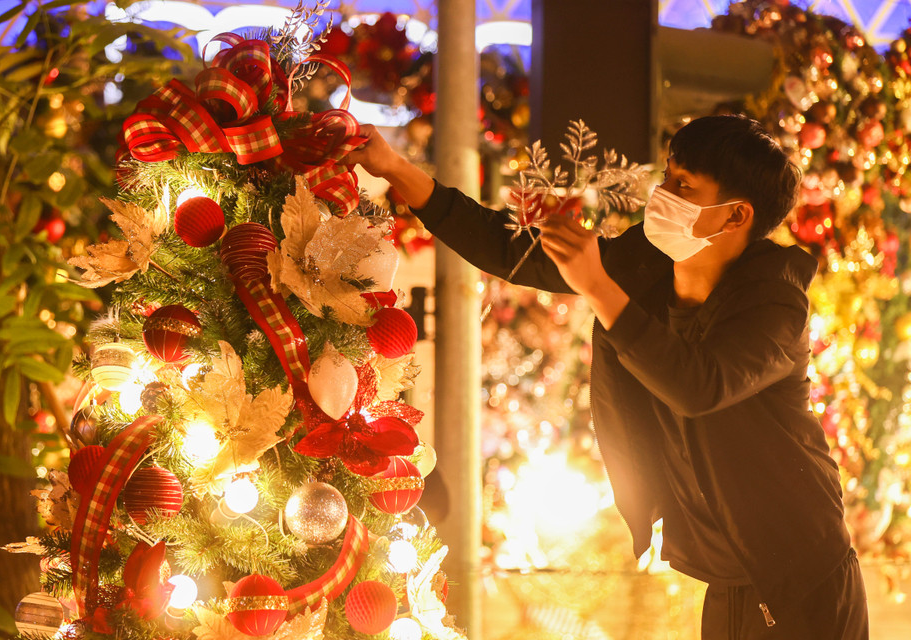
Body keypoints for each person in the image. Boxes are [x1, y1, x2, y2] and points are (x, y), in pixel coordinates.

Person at [346, 114, 869, 639]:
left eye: (684, 186)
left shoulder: (774, 300)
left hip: (802, 575)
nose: (663, 195)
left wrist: (598, 286)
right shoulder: (649, 260)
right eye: (668, 176)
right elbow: (513, 251)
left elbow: (699, 385)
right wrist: (394, 168)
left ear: (736, 215)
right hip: (728, 576)